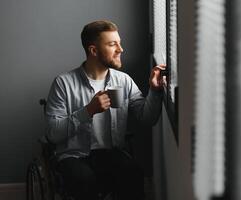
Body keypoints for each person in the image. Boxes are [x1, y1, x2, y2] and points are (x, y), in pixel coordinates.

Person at [45, 20, 166, 200]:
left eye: (119, 43)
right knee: (84, 180)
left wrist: (155, 91)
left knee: (132, 173)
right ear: (93, 50)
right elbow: (53, 134)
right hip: (74, 157)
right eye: (112, 44)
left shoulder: (124, 81)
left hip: (111, 153)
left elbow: (146, 118)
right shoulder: (63, 83)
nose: (121, 49)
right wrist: (88, 111)